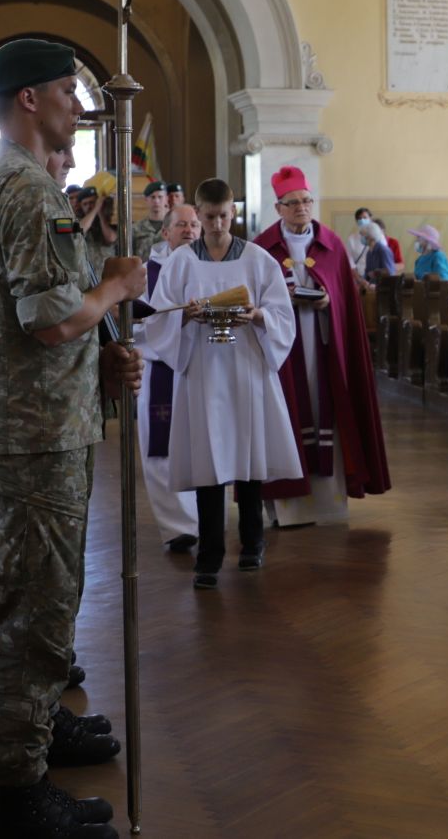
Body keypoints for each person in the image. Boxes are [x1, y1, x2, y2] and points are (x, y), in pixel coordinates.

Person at [0, 38, 146, 838]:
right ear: (28, 99)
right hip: (30, 434)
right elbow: (46, 320)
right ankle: (20, 792)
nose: (81, 102)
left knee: (43, 597)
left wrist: (100, 360)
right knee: (32, 614)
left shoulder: (18, 181)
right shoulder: (28, 190)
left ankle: (38, 728)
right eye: (69, 89)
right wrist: (114, 289)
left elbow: (47, 313)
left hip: (39, 423)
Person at [145, 178, 300, 589]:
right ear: (198, 214)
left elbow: (282, 314)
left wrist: (257, 316)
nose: (216, 225)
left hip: (246, 366)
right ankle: (209, 555)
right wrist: (185, 315)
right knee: (207, 461)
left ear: (234, 213)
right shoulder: (181, 262)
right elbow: (159, 316)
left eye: (224, 216)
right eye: (209, 217)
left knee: (248, 455)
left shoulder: (258, 259)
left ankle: (252, 543)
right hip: (202, 371)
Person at [253, 165, 392, 527]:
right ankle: (288, 508)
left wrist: (329, 300)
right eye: (293, 202)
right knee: (287, 414)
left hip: (324, 344)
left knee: (326, 410)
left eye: (306, 201)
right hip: (282, 353)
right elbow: (254, 298)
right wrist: (279, 302)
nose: (301, 207)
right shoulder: (262, 248)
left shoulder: (331, 244)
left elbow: (344, 297)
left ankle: (328, 505)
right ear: (278, 208)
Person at [135, 204, 201, 553]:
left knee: (203, 443)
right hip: (161, 369)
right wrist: (179, 321)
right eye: (181, 225)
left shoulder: (211, 266)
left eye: (194, 225)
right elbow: (136, 324)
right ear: (165, 233)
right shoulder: (147, 274)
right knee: (161, 450)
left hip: (203, 368)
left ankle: (205, 518)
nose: (189, 230)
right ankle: (179, 526)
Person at [131, 180, 170, 260]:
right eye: (152, 197)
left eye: (160, 197)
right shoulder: (136, 228)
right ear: (146, 200)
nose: (156, 201)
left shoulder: (173, 225)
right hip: (143, 267)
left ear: (166, 199)